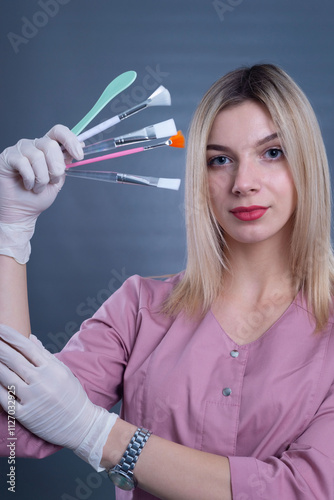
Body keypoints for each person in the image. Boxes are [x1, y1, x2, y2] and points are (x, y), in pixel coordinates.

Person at [0, 63, 334, 500]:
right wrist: (11, 232)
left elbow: (304, 490)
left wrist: (98, 433)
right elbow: (13, 429)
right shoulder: (139, 309)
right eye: (220, 160)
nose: (243, 183)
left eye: (272, 152)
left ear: (307, 161)